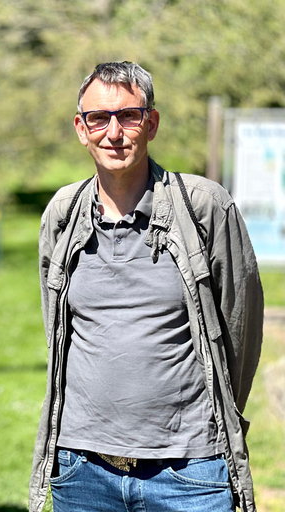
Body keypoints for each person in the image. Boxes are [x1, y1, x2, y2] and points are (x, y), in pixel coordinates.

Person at [30, 61, 264, 512]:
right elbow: (55, 327)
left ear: (151, 123)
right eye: (99, 118)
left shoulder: (203, 206)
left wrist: (216, 422)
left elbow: (242, 327)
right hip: (82, 469)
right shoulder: (63, 213)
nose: (113, 132)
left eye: (129, 116)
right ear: (81, 128)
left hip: (190, 471)